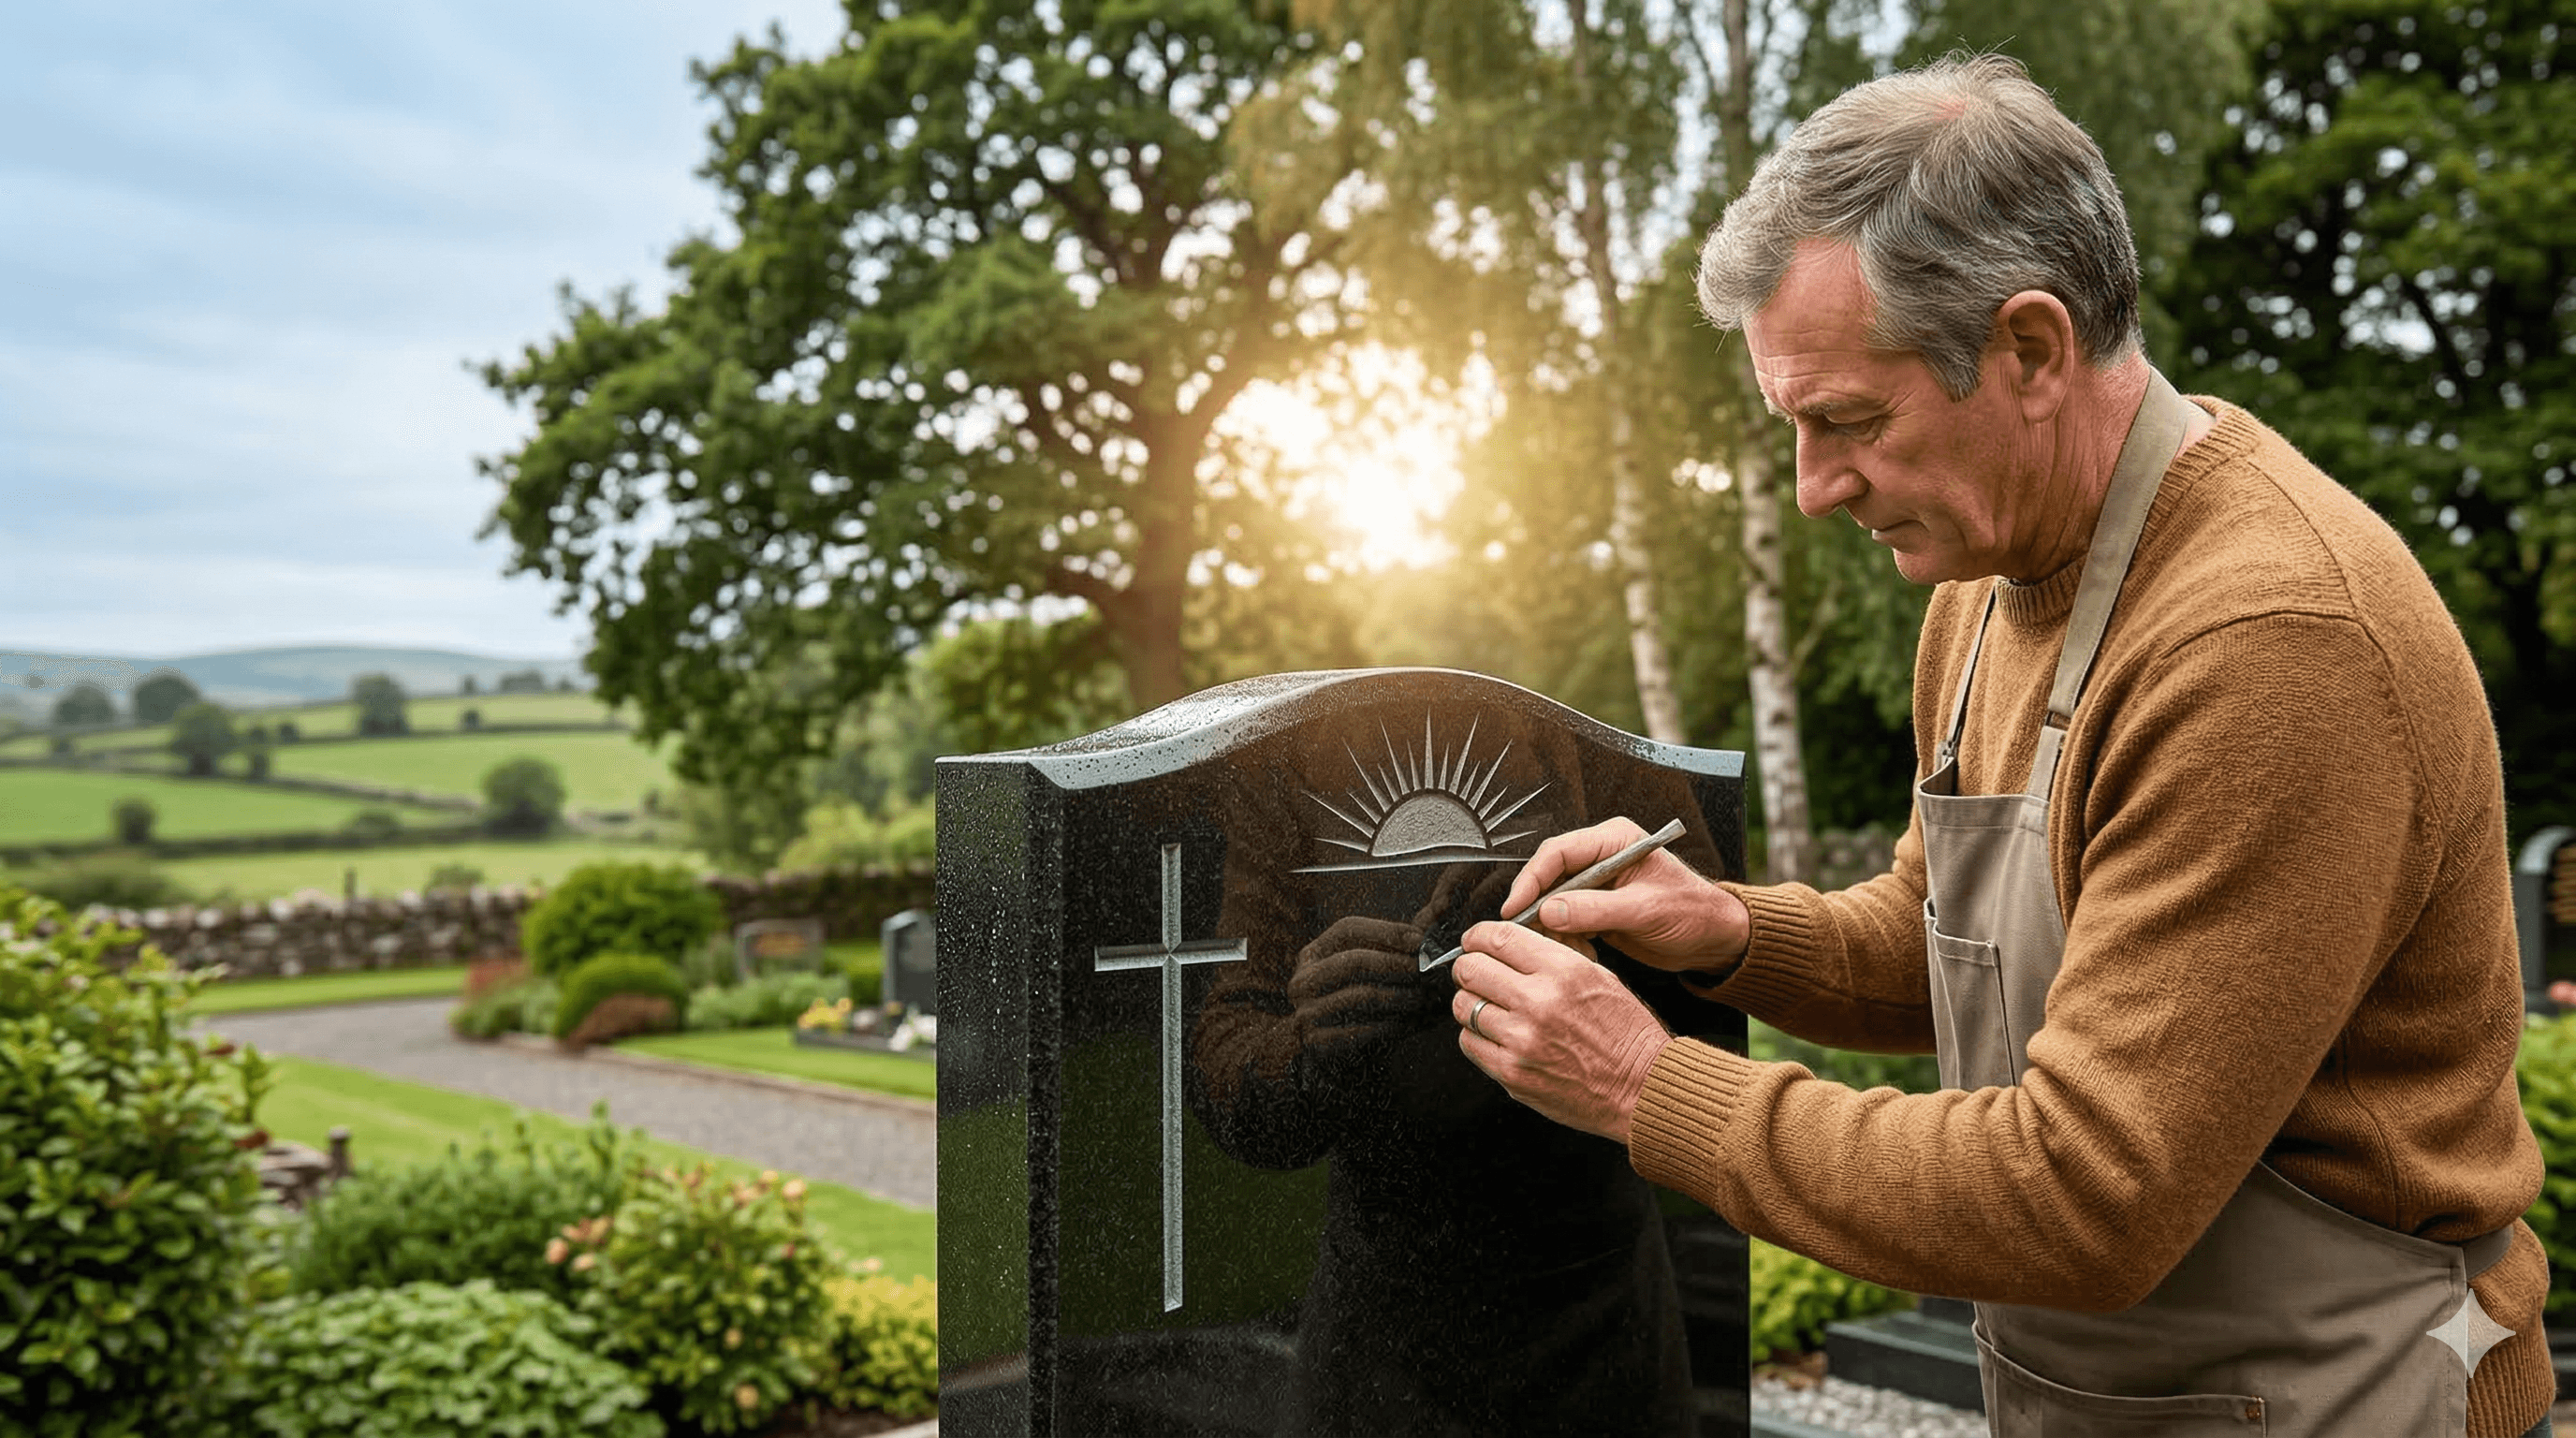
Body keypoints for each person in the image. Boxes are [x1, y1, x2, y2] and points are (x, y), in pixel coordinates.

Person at [1443, 53, 2552, 1438]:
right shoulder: (1984, 585)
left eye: (1849, 420)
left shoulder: (2267, 643)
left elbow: (2088, 1192)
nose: (1814, 489)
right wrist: (1726, 931)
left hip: (2347, 1401)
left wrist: (1643, 1084)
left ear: (2029, 351)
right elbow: (1947, 938)